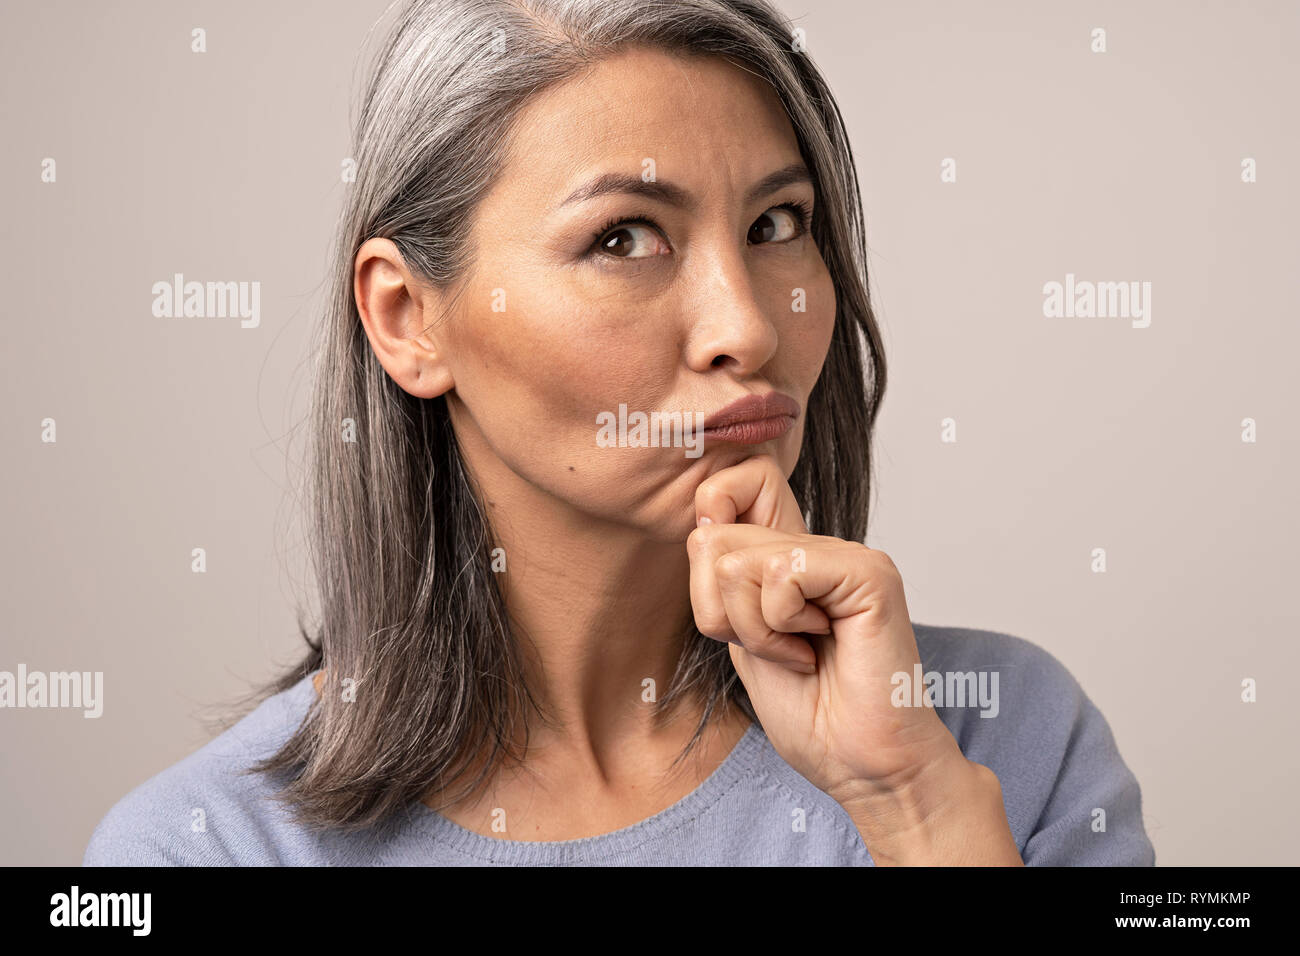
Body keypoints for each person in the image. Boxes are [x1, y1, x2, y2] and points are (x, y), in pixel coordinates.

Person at [84, 0, 1154, 866]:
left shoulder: (1001, 742)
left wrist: (912, 809)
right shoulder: (202, 850)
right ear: (408, 319)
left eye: (776, 225)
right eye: (624, 236)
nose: (745, 325)